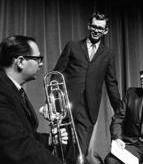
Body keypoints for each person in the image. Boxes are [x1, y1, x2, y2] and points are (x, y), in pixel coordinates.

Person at [0, 35, 68, 164]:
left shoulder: (9, 88)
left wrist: (48, 140)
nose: (41, 64)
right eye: (38, 59)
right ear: (20, 62)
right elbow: (18, 145)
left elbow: (23, 134)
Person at [51, 12, 121, 163]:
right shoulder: (73, 46)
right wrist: (51, 101)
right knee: (61, 149)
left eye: (100, 28)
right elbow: (57, 74)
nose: (96, 30)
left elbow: (111, 84)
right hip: (65, 106)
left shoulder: (108, 54)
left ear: (106, 31)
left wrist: (120, 111)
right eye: (94, 26)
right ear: (89, 26)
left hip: (88, 110)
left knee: (79, 154)